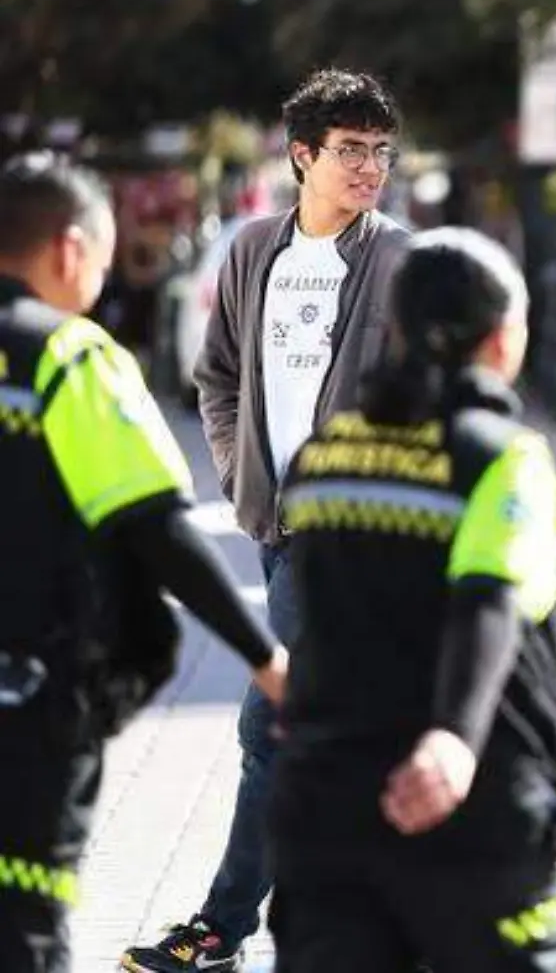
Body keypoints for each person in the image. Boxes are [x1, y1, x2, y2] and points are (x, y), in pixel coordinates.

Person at [124, 67, 410, 973]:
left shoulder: (400, 260)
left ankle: (222, 927)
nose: (369, 168)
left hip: (356, 534)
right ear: (302, 157)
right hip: (277, 529)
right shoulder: (255, 252)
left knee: (271, 720)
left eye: (380, 152)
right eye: (351, 150)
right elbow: (215, 377)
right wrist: (238, 474)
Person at [0, 152, 288, 973]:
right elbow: (156, 526)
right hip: (26, 705)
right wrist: (266, 659)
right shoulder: (65, 359)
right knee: (21, 923)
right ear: (68, 252)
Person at [266, 228, 556, 972]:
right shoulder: (503, 456)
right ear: (503, 340)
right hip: (468, 808)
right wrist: (453, 738)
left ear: (398, 330)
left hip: (326, 802)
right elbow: (488, 600)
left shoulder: (324, 455)